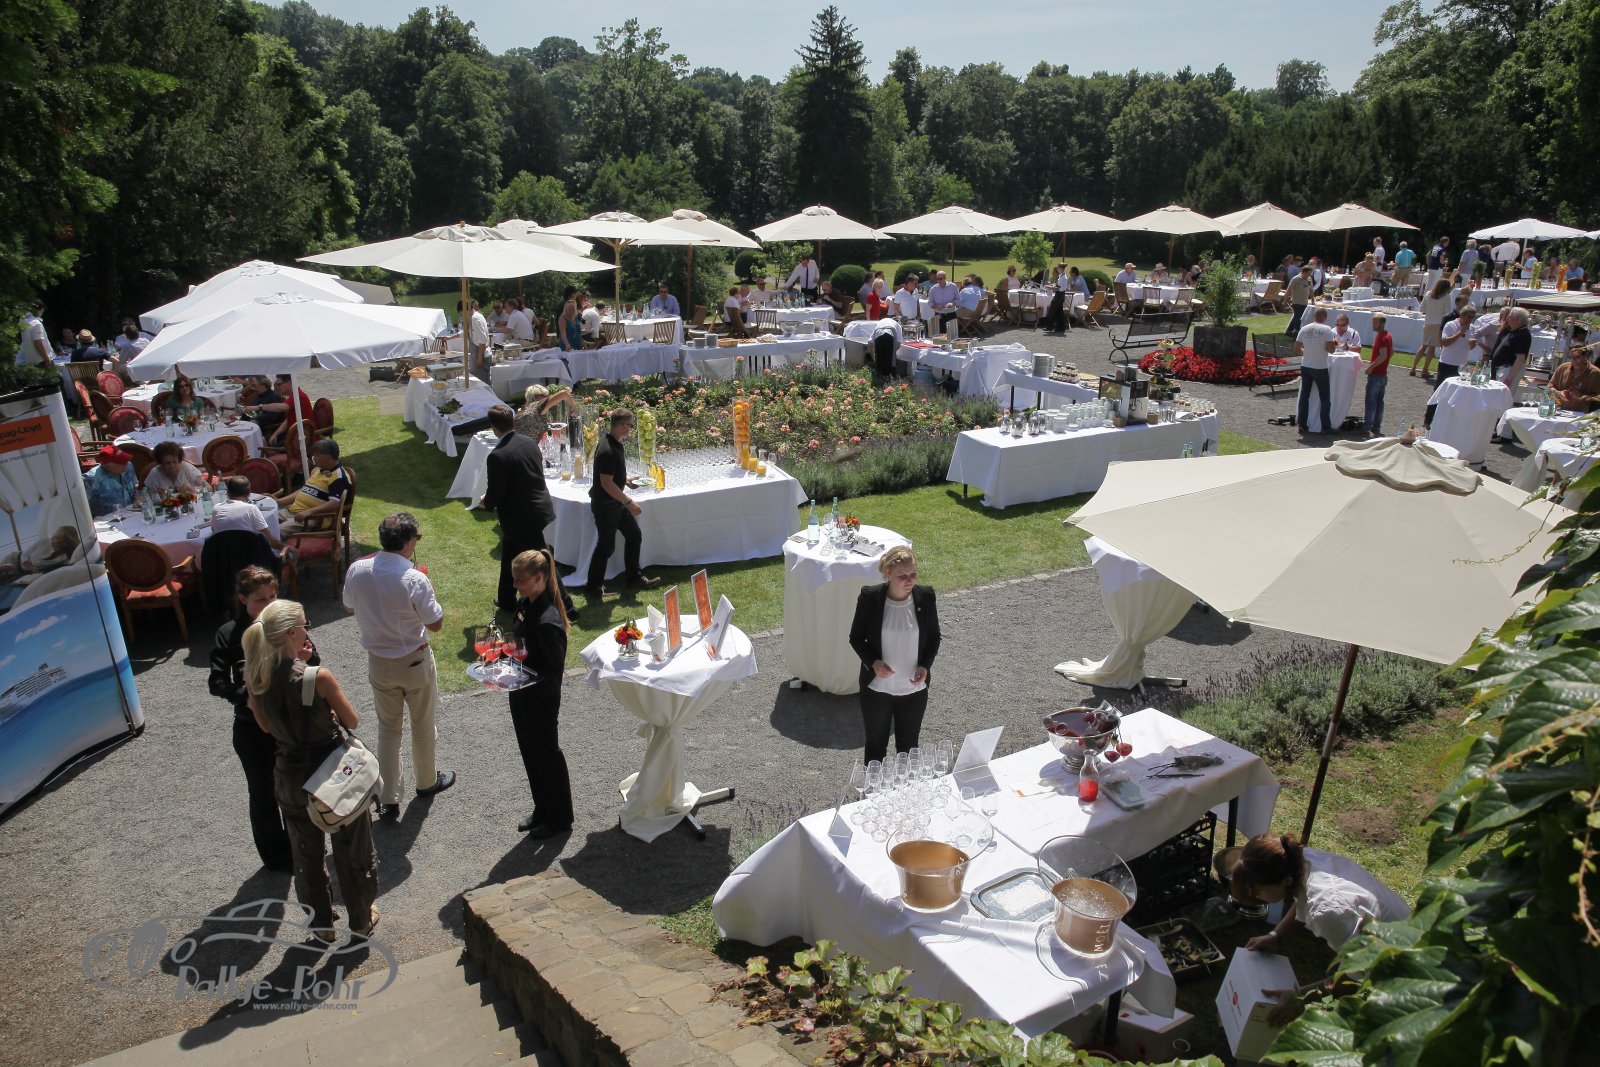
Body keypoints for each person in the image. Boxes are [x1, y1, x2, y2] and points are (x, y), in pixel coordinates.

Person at [244, 599, 379, 943]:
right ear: (292, 632)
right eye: (305, 625)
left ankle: (321, 926)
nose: (308, 631)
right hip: (332, 776)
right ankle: (361, 919)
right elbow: (351, 720)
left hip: (289, 777)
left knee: (306, 855)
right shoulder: (318, 677)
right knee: (351, 848)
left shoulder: (257, 678)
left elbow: (265, 727)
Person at [1221, 831, 1409, 1025]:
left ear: (1285, 880)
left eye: (1256, 890)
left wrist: (1300, 997)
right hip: (1402, 926)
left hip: (1404, 965)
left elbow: (1357, 975)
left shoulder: (1327, 912)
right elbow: (1301, 898)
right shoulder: (1297, 860)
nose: (1254, 895)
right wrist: (1276, 935)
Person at [343, 511, 456, 820]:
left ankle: (389, 797)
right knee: (422, 724)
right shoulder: (414, 578)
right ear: (408, 542)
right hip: (414, 660)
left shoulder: (357, 570)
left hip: (379, 662)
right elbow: (435, 624)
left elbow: (349, 606)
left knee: (388, 728)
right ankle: (427, 782)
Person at [209, 566, 298, 872]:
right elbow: (216, 682)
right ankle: (276, 858)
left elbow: (312, 659)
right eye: (261, 599)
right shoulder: (229, 634)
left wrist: (306, 656)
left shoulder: (285, 624)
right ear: (242, 599)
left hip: (288, 722)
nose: (270, 604)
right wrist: (244, 696)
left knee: (296, 787)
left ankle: (301, 845)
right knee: (263, 794)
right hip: (252, 729)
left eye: (273, 596)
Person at [848, 546, 941, 765]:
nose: (910, 580)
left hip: (913, 690)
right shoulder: (870, 597)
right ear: (888, 573)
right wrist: (873, 663)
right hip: (877, 689)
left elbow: (934, 637)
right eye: (903, 576)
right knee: (875, 747)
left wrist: (925, 666)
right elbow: (856, 638)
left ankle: (906, 787)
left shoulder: (926, 597)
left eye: (913, 574)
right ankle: (873, 787)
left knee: (908, 748)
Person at [481, 404, 575, 618]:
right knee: (510, 550)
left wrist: (486, 502)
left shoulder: (497, 456)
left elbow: (496, 492)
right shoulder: (528, 442)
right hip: (536, 508)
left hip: (522, 517)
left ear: (494, 428)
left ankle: (568, 608)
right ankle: (506, 599)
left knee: (543, 562)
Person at [507, 548, 573, 837]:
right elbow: (521, 643)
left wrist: (522, 677)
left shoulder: (547, 621)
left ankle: (559, 818)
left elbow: (553, 670)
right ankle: (542, 808)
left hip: (540, 699)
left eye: (520, 580)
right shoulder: (526, 604)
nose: (515, 585)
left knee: (546, 755)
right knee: (530, 753)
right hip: (521, 692)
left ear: (539, 578)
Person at [585, 409, 661, 596]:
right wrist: (628, 501)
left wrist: (625, 481)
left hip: (614, 502)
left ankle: (634, 578)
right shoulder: (608, 450)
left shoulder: (612, 442)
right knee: (606, 546)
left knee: (634, 535)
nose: (631, 429)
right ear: (623, 426)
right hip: (606, 505)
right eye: (630, 425)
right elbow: (605, 483)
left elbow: (610, 476)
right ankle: (593, 587)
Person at [274, 438, 349, 537]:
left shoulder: (339, 477)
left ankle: (280, 547)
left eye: (317, 455)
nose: (314, 458)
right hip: (291, 511)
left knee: (275, 532)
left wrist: (309, 512)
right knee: (261, 521)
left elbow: (334, 503)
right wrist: (278, 501)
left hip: (311, 518)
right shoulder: (317, 470)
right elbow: (304, 490)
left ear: (328, 457)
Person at [1295, 307, 1338, 435]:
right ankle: (1326, 427)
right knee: (1325, 397)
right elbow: (1331, 349)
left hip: (1306, 365)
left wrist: (1307, 352)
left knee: (1304, 396)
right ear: (1325, 317)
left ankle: (1302, 424)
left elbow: (1296, 348)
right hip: (1320, 367)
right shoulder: (1327, 330)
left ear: (1314, 315)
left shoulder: (1304, 329)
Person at [212, 476, 284, 550]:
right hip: (249, 555)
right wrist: (287, 548)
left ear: (227, 493)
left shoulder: (216, 509)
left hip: (223, 555)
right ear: (249, 493)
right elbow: (271, 541)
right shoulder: (251, 509)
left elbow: (214, 532)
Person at [245, 375, 312, 445]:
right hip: (294, 434)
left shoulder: (298, 396)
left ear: (289, 383)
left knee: (258, 443)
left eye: (279, 384)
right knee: (260, 441)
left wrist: (258, 407)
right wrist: (276, 434)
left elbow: (283, 407)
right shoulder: (294, 395)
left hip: (301, 439)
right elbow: (287, 420)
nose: (277, 387)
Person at [1413, 278, 1452, 378]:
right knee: (1432, 347)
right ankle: (1425, 370)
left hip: (1428, 322)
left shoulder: (1428, 294)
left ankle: (1413, 368)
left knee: (1423, 346)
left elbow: (1422, 309)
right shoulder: (1446, 297)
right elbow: (1448, 312)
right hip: (1438, 323)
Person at [83, 446, 137, 517]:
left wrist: (138, 495)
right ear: (108, 465)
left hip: (131, 512)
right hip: (106, 519)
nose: (126, 466)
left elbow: (135, 485)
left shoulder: (128, 465)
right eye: (122, 463)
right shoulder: (91, 479)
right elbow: (81, 506)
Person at [143, 440, 210, 496]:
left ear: (179, 460)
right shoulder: (155, 474)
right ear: (161, 463)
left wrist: (194, 489)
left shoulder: (187, 468)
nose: (172, 466)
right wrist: (155, 494)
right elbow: (145, 498)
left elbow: (209, 488)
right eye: (167, 463)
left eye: (174, 462)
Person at [1488, 307, 1534, 386]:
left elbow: (1520, 358)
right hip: (1500, 369)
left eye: (1510, 316)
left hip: (1507, 370)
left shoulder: (1522, 334)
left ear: (1518, 320)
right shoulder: (1513, 331)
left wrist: (1509, 378)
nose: (1508, 318)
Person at [1549, 345, 1600, 413]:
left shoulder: (1595, 373)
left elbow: (1598, 397)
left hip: (1581, 414)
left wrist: (1582, 396)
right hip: (1558, 411)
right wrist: (1559, 393)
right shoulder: (1562, 368)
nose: (1573, 360)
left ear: (1586, 357)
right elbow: (1550, 387)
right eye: (1571, 357)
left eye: (1577, 357)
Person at [1365, 314, 1393, 437]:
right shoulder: (1388, 336)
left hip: (1376, 374)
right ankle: (1376, 426)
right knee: (1379, 402)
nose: (1373, 325)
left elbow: (1384, 355)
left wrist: (1371, 367)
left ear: (1382, 323)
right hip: (1382, 374)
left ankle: (1367, 426)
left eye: (1375, 322)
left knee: (1371, 401)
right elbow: (1391, 352)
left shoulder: (1382, 337)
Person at [15, 300, 50, 368]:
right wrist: (47, 359)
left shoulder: (22, 320)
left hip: (29, 359)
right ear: (41, 309)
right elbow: (38, 343)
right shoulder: (36, 323)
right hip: (40, 360)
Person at [1285, 268, 1316, 335]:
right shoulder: (1295, 279)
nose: (1310, 275)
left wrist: (1313, 300)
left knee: (1297, 316)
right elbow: (1289, 289)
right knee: (1298, 318)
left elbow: (1311, 290)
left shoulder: (1309, 279)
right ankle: (1297, 332)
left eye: (1310, 274)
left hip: (1304, 301)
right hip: (1296, 301)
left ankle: (1288, 331)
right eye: (1308, 273)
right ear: (1304, 272)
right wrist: (1285, 300)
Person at [557, 287, 583, 352]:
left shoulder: (575, 317)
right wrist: (567, 344)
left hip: (577, 344)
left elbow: (579, 330)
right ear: (566, 309)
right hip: (567, 345)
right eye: (569, 310)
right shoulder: (563, 318)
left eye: (573, 310)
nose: (571, 311)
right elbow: (563, 333)